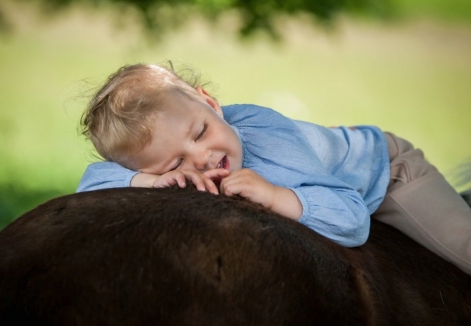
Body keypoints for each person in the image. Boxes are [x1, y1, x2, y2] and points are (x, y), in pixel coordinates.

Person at [77, 62, 471, 274]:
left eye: (200, 133)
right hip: (313, 150)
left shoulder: (267, 138)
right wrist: (147, 179)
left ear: (211, 104)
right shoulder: (172, 161)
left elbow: (352, 219)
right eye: (176, 162)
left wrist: (276, 195)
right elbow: (91, 186)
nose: (201, 159)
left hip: (385, 169)